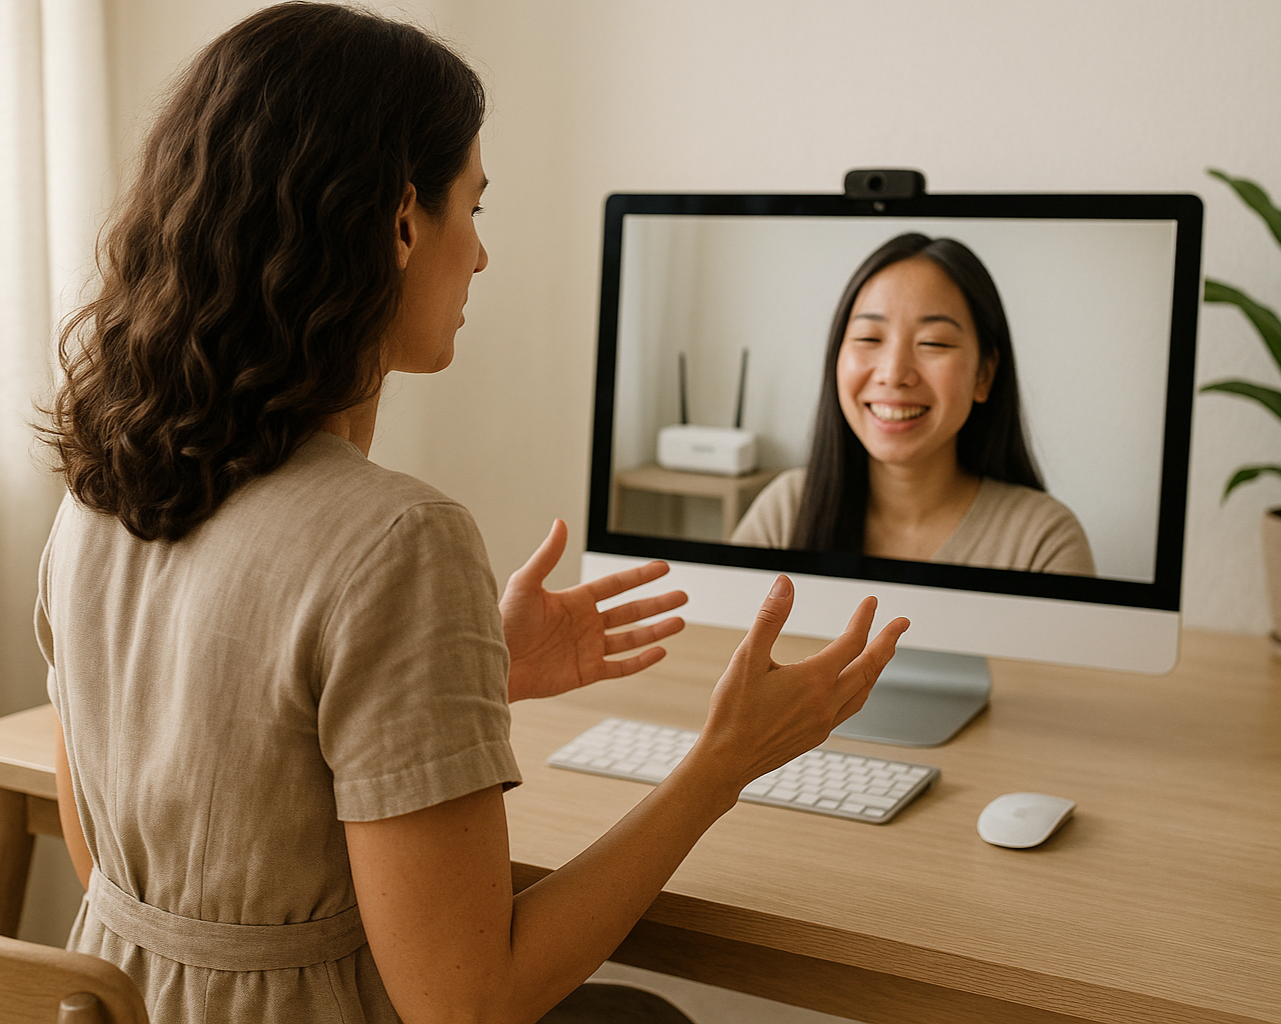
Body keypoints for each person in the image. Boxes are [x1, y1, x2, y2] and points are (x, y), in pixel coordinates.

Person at [34, 6, 910, 1023]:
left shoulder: (98, 493)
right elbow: (469, 1005)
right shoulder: (395, 539)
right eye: (474, 206)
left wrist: (465, 677)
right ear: (402, 223)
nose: (482, 255)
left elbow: (114, 853)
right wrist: (723, 761)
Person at [732, 233, 1095, 575]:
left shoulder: (1043, 541)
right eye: (869, 338)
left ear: (984, 375)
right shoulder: (786, 510)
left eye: (933, 343)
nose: (893, 374)